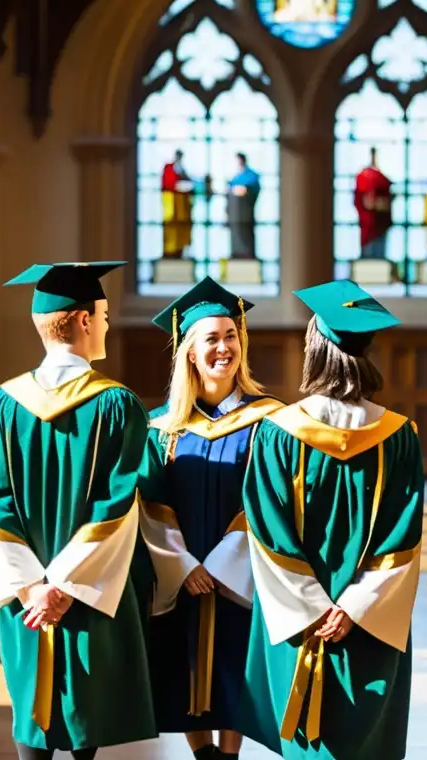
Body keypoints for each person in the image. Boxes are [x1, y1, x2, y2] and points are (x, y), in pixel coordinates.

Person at [0, 262, 157, 760]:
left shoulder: (0, 407)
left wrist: (34, 588)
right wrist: (65, 586)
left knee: (31, 697)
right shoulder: (118, 405)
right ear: (82, 321)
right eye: (105, 314)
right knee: (85, 706)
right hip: (91, 588)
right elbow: (118, 502)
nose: (108, 323)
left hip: (25, 596)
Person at [238, 279, 424, 760]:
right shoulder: (399, 437)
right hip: (369, 625)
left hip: (299, 622)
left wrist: (315, 609)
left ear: (314, 349)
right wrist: (354, 607)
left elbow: (266, 532)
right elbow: (403, 538)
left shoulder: (277, 434)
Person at [138, 277, 284, 760]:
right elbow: (150, 502)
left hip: (238, 574)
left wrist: (220, 566)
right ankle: (203, 754)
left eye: (231, 336)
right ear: (190, 353)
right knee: (182, 661)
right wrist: (183, 567)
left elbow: (266, 501)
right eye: (212, 339)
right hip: (179, 573)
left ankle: (231, 752)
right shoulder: (161, 427)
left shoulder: (269, 421)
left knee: (234, 661)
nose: (225, 348)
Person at [354, 147, 393, 260]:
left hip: (380, 226)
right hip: (369, 227)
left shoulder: (381, 177)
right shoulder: (364, 176)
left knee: (378, 260)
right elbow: (366, 202)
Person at [162, 149, 197, 259]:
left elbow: (189, 182)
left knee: (182, 228)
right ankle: (170, 251)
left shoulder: (182, 169)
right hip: (172, 203)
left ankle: (180, 250)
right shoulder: (169, 168)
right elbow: (168, 183)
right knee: (171, 228)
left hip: (182, 205)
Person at [226, 153, 261, 260]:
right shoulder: (236, 177)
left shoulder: (251, 175)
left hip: (245, 213)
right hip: (234, 214)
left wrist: (242, 189)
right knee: (236, 235)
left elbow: (252, 189)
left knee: (246, 235)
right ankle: (236, 253)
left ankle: (247, 253)